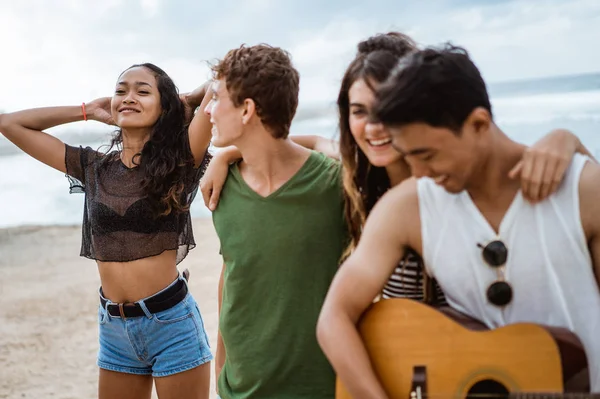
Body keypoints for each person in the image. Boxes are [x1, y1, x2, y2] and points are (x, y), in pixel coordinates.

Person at [201, 32, 594, 305]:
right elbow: (317, 144)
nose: (374, 126)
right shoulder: (361, 181)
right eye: (358, 111)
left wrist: (565, 138)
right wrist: (229, 154)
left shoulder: (455, 181)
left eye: (386, 110)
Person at [316, 44, 600, 398]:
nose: (417, 173)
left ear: (479, 124)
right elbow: (334, 316)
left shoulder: (583, 190)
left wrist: (569, 138)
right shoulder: (407, 207)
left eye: (426, 155)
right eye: (408, 156)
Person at [0, 63, 214, 399]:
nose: (128, 97)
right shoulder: (93, 167)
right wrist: (87, 111)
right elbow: (9, 123)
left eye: (143, 92)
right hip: (114, 329)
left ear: (164, 106)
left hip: (171, 325)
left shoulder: (181, 160)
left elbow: (221, 87)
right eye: (120, 90)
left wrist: (188, 100)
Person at [200, 44, 347, 399]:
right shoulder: (224, 186)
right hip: (240, 388)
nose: (207, 109)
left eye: (216, 97)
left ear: (247, 109)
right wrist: (221, 367)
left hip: (320, 387)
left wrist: (326, 144)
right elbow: (233, 273)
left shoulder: (334, 183)